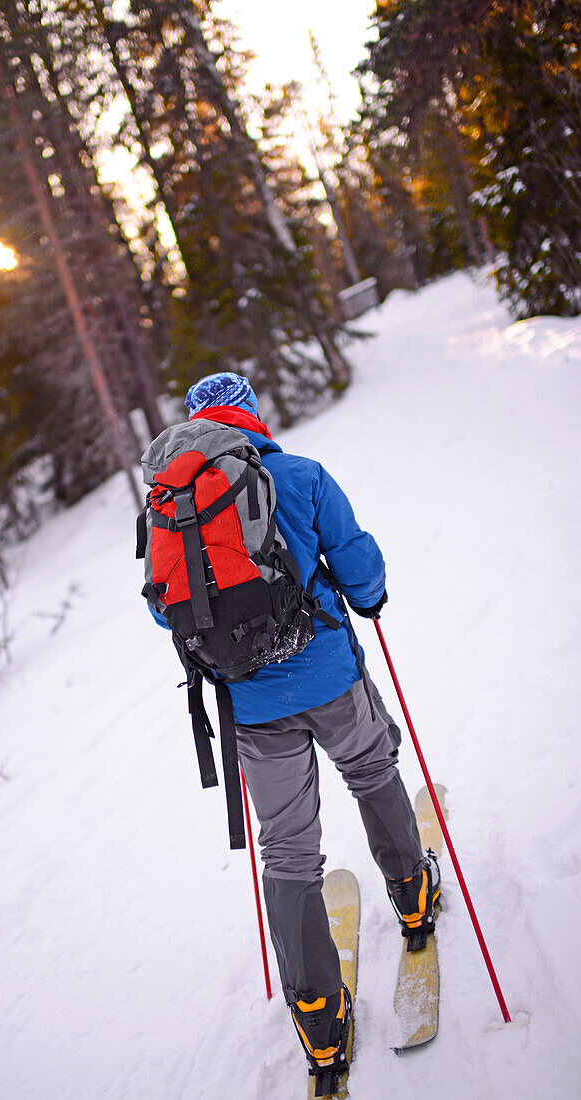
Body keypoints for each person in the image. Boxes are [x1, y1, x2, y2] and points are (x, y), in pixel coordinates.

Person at [173, 371, 441, 1085]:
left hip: (251, 709)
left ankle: (321, 1021)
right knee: (372, 769)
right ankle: (413, 895)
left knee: (289, 853)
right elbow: (355, 559)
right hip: (329, 675)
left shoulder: (177, 509)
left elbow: (162, 608)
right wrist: (371, 596)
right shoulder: (300, 475)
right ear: (252, 418)